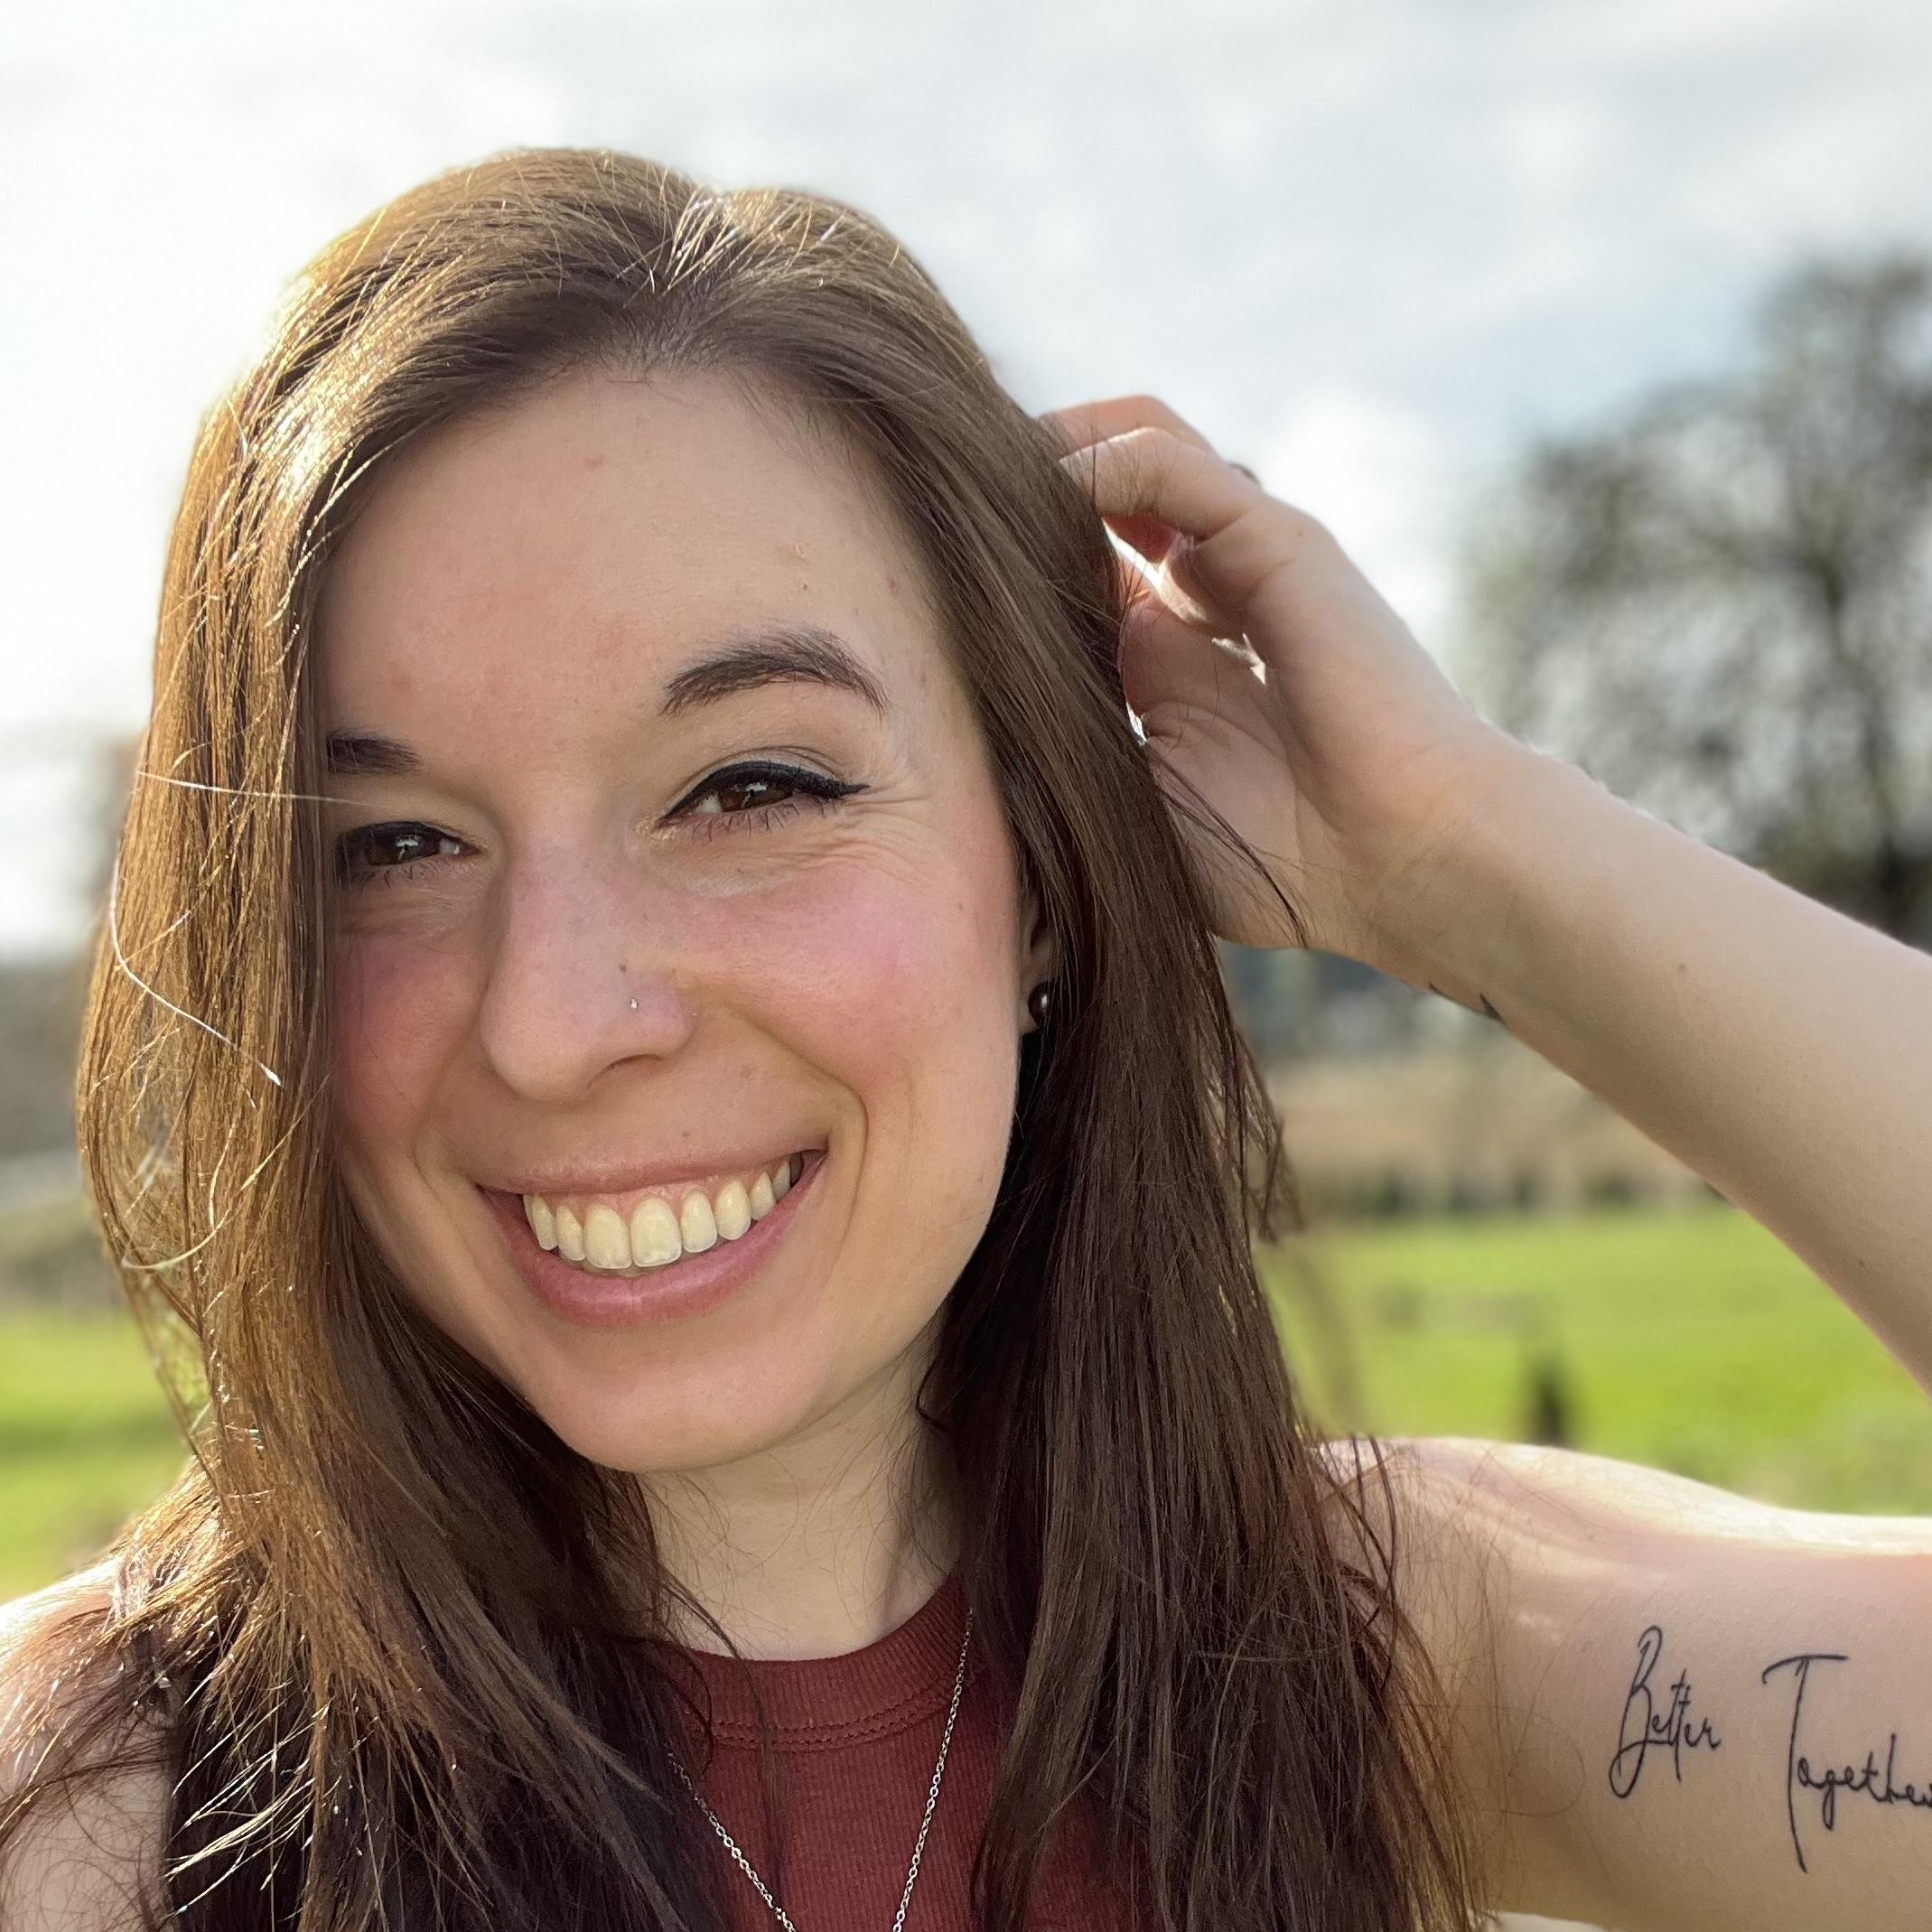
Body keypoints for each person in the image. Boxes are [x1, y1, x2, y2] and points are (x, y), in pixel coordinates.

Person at [1, 146, 1928, 1932]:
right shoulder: (91, 1813)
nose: (556, 1021)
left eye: (751, 787)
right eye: (391, 846)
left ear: (1042, 878)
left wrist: (1464, 856)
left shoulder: (1378, 1646)